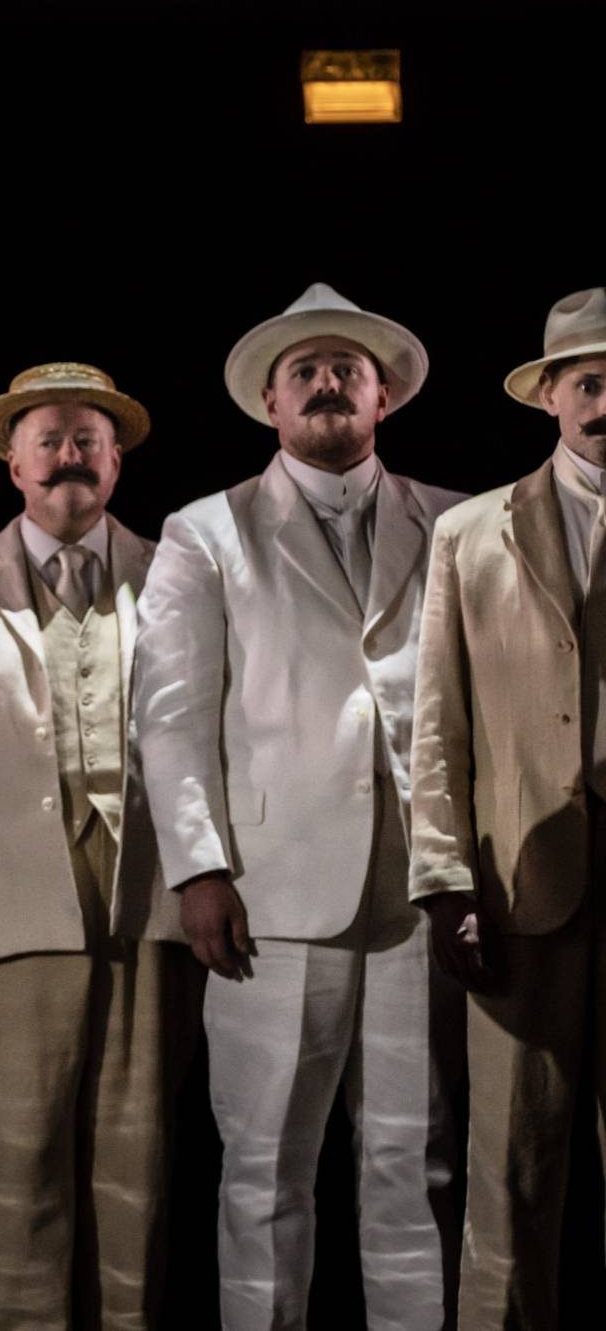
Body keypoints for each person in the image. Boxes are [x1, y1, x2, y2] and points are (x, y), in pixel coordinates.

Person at [132, 283, 465, 1330]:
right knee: (265, 1163)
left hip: (420, 884)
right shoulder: (206, 530)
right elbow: (170, 716)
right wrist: (196, 866)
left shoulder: (453, 522)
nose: (327, 385)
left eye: (347, 373)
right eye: (306, 373)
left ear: (384, 400)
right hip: (267, 890)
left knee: (415, 1160)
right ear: (269, 403)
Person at [0, 363, 191, 1329]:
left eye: (86, 439)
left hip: (147, 894)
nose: (68, 457)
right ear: (12, 463)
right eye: (47, 440)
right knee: (14, 1149)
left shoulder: (174, 572)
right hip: (5, 892)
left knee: (136, 1151)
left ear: (117, 458)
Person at [408, 286, 606, 1327]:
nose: (605, 399)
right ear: (549, 397)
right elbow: (435, 721)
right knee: (509, 1170)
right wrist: (443, 880)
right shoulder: (469, 532)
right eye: (589, 380)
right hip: (521, 883)